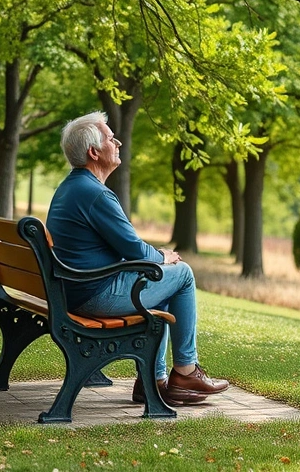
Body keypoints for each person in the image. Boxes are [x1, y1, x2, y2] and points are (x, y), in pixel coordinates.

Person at [46, 111, 228, 406]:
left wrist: (155, 259)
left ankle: (152, 382)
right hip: (92, 295)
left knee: (163, 282)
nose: (117, 142)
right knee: (181, 274)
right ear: (94, 152)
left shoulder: (71, 188)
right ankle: (185, 371)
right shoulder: (95, 195)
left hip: (72, 290)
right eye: (109, 138)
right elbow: (134, 249)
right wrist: (163, 256)